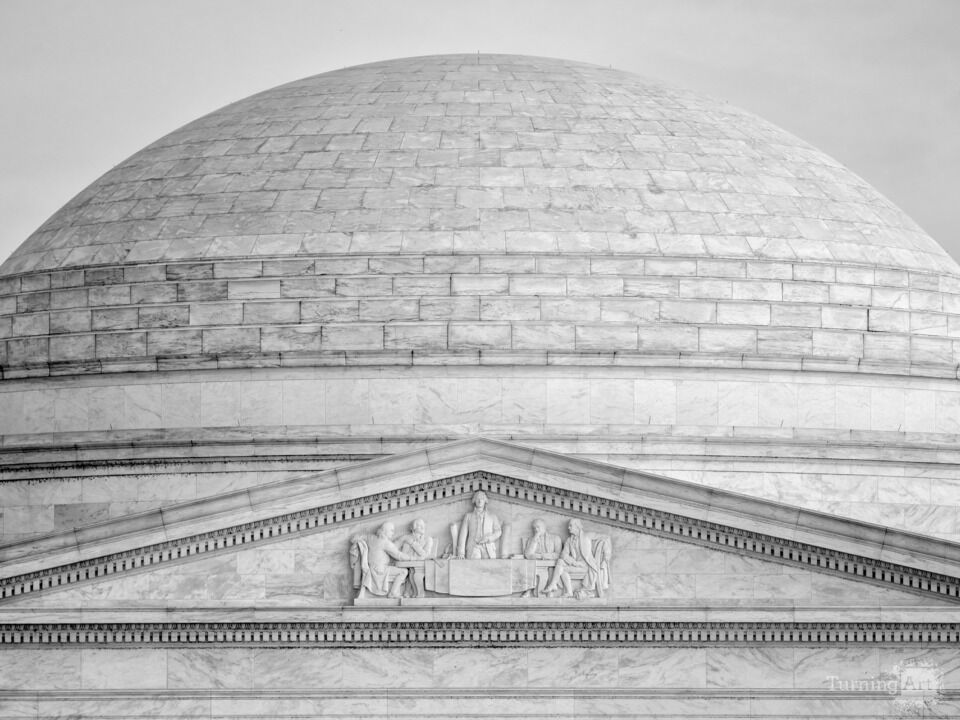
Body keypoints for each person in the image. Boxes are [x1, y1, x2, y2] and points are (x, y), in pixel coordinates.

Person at [543, 519, 612, 599]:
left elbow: (606, 537)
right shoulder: (569, 540)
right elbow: (563, 554)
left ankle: (558, 587)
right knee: (560, 561)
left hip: (587, 566)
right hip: (576, 564)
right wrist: (574, 563)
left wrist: (607, 555)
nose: (568, 528)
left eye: (570, 526)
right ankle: (559, 587)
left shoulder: (587, 536)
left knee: (561, 569)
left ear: (577, 526)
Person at [351, 522, 411, 599]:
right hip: (380, 571)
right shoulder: (386, 543)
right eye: (391, 530)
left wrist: (358, 540)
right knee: (404, 571)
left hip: (371, 568)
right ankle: (393, 593)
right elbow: (399, 556)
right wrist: (411, 558)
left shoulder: (370, 537)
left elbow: (354, 538)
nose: (393, 533)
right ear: (385, 531)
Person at [456, 490, 501, 559]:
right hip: (474, 546)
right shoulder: (468, 516)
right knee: (473, 567)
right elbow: (463, 534)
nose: (480, 501)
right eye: (477, 499)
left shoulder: (492, 516)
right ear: (474, 500)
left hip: (488, 547)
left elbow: (498, 531)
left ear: (485, 500)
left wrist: (489, 538)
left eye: (482, 499)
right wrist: (461, 552)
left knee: (489, 568)